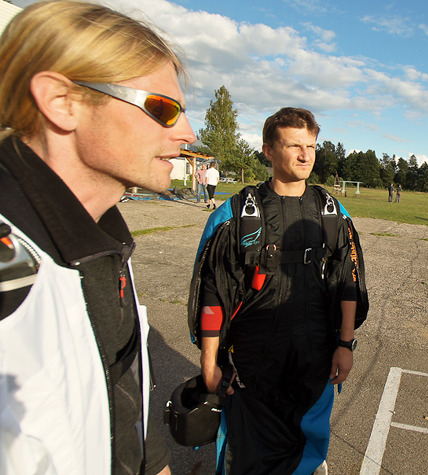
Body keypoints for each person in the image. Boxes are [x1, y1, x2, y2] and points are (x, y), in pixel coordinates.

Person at [0, 2, 196, 473]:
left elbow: (120, 391)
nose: (187, 133)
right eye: (163, 109)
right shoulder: (13, 279)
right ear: (62, 102)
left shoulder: (103, 237)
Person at [192, 107, 364, 474]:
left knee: (305, 447)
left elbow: (347, 281)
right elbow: (213, 292)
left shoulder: (333, 213)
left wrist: (345, 345)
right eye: (294, 146)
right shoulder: (236, 215)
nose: (305, 155)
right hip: (252, 361)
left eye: (312, 146)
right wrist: (210, 364)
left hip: (314, 355)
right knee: (246, 453)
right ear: (269, 151)